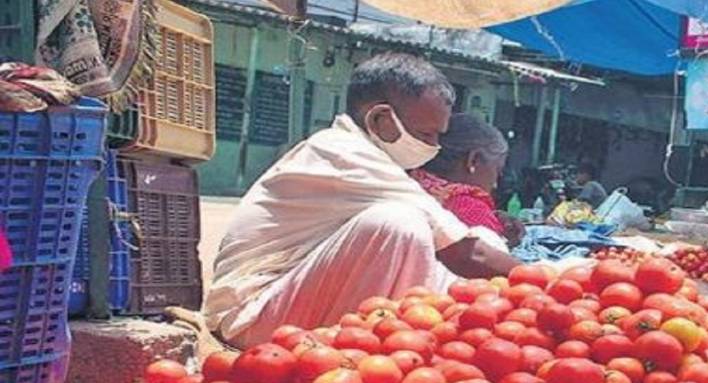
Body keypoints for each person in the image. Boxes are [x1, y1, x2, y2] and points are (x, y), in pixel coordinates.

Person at [205, 53, 516, 346]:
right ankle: (369, 346)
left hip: (287, 302)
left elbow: (465, 243)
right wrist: (547, 281)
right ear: (382, 119)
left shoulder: (368, 156)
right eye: (425, 135)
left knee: (482, 238)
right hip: (250, 316)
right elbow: (466, 254)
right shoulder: (344, 152)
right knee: (398, 224)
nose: (434, 147)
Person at [411, 113, 523, 250]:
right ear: (473, 160)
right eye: (497, 170)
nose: (495, 184)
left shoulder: (409, 184)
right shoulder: (469, 208)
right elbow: (488, 266)